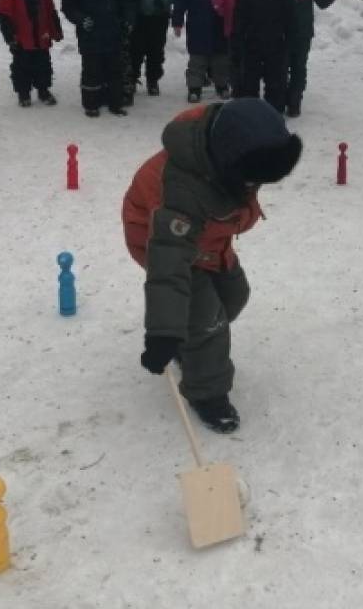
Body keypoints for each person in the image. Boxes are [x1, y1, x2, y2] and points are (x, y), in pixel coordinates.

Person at [122, 98, 303, 432]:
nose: (254, 187)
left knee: (234, 295)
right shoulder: (181, 192)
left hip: (208, 239)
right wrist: (163, 331)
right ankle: (207, 393)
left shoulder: (232, 154)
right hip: (158, 237)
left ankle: (190, 341)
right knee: (206, 322)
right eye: (252, 180)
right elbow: (168, 267)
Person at [273, 0, 346, 118]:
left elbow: (322, 1)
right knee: (280, 68)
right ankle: (278, 103)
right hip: (279, 30)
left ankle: (294, 101)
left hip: (302, 31)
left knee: (299, 67)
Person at [60, 0, 132, 117]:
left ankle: (115, 102)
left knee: (114, 69)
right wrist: (81, 19)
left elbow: (126, 1)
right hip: (89, 34)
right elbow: (68, 6)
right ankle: (91, 103)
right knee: (92, 70)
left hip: (113, 33)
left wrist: (127, 20)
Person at [233, 0, 295, 113]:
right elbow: (240, 16)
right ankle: (250, 110)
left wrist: (288, 39)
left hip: (276, 43)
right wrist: (238, 39)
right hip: (252, 42)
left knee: (275, 79)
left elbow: (289, 17)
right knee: (249, 79)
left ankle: (274, 110)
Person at [104, 0, 141, 107]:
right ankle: (106, 89)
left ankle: (126, 89)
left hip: (124, 23)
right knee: (106, 58)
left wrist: (130, 19)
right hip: (105, 23)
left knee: (125, 58)